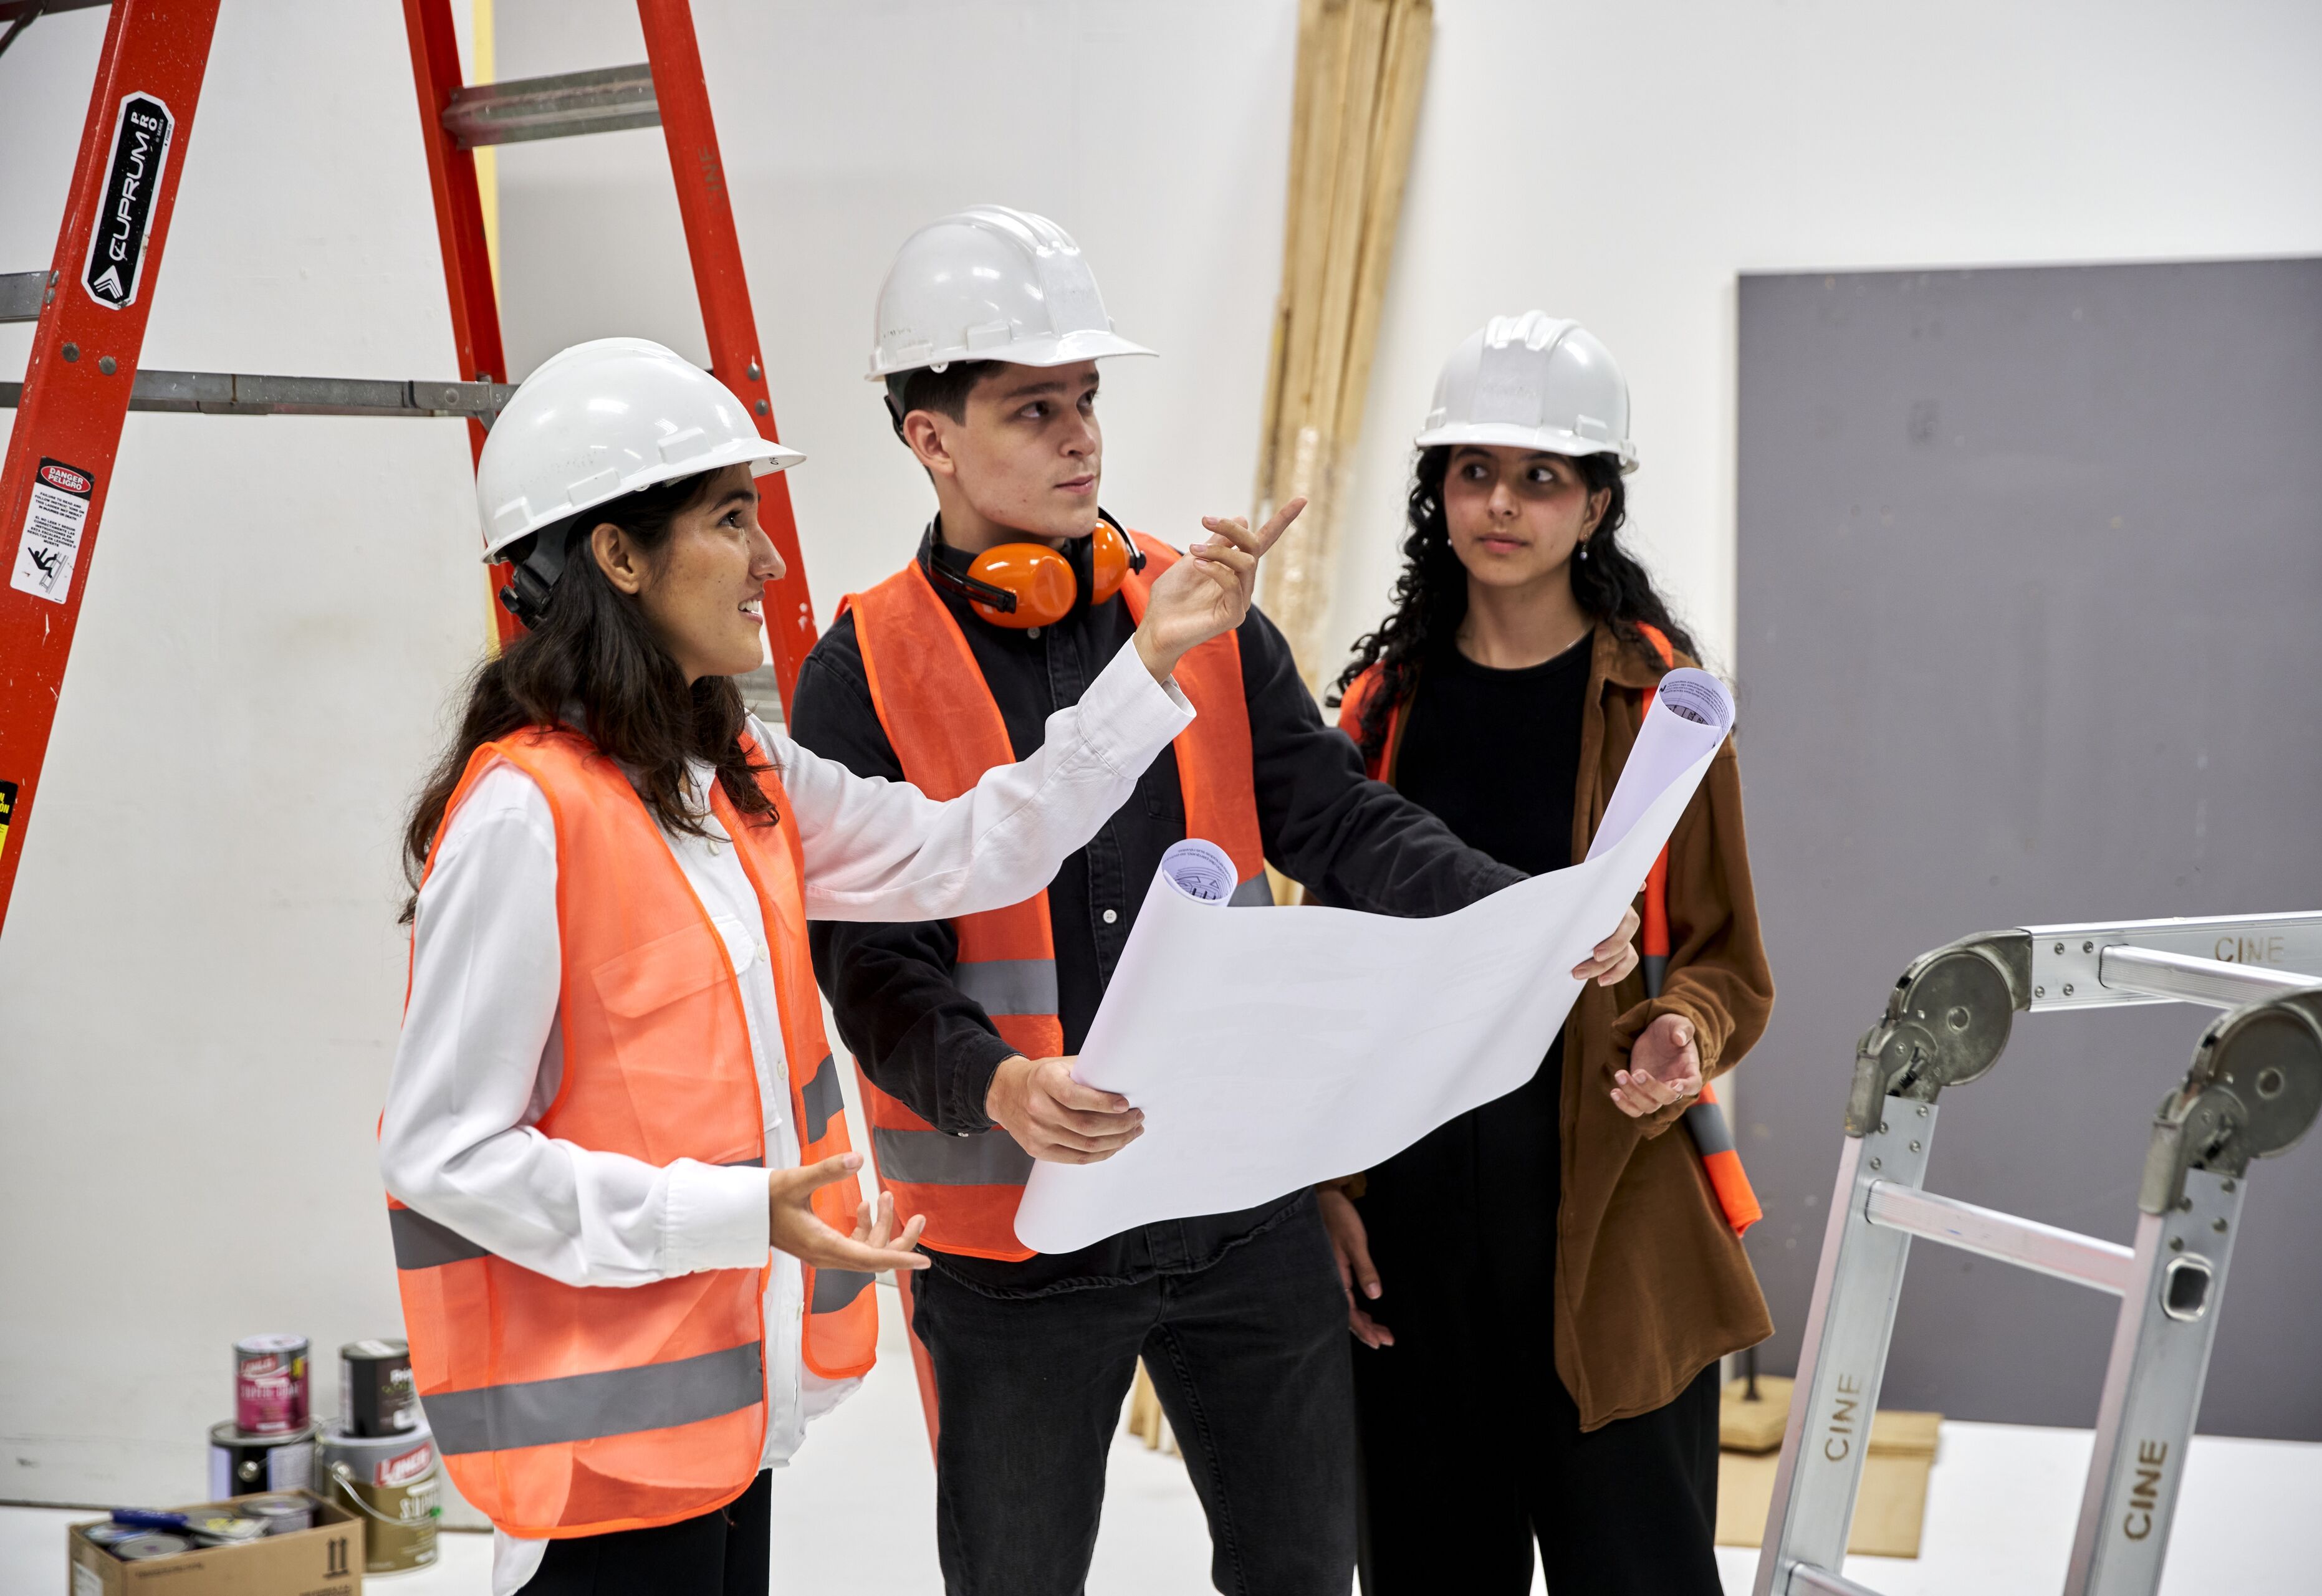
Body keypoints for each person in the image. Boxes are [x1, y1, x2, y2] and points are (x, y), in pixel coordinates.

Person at [793, 209, 1640, 1596]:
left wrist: (1518, 912)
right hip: (1013, 1244)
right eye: (1031, 409)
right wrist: (995, 1084)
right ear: (929, 437)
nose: (1082, 439)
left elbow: (1336, 818)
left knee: (1304, 1573)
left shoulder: (1200, 619)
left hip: (1241, 1211)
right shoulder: (863, 669)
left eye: (1087, 402)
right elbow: (869, 961)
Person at [378, 336, 1277, 1596]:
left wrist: (1150, 664)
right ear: (619, 558)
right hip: (594, 1467)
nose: (769, 559)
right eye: (731, 520)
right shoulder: (525, 816)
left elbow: (978, 843)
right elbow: (443, 1156)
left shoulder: (733, 771)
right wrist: (736, 1215)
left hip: (724, 1424)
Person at [1318, 312, 1775, 1595]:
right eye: (1474, 471)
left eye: (1541, 478)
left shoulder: (1665, 708)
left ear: (1598, 504)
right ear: (1439, 494)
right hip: (1413, 1231)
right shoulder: (1381, 711)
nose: (1501, 504)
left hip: (1611, 1226)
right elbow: (1331, 972)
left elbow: (1731, 961)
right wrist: (1330, 1185)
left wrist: (1682, 1030)